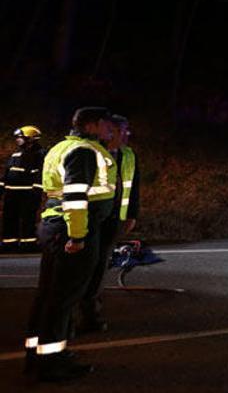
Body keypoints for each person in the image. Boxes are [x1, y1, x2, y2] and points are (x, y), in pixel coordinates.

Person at [24, 107, 117, 382]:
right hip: (71, 230)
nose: (109, 131)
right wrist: (78, 237)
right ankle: (51, 364)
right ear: (93, 125)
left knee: (48, 296)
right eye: (106, 125)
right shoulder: (84, 151)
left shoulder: (59, 148)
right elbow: (76, 197)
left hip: (54, 226)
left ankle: (38, 356)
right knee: (62, 299)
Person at [80, 114, 140, 333]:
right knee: (85, 268)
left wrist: (131, 214)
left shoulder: (128, 155)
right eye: (123, 130)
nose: (127, 135)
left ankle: (91, 314)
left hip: (113, 220)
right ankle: (79, 314)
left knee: (99, 269)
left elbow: (133, 188)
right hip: (91, 220)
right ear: (111, 131)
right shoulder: (94, 153)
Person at [1, 126, 45, 251]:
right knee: (9, 218)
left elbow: (41, 173)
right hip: (11, 192)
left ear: (30, 139)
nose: (18, 140)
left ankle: (28, 244)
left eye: (21, 138)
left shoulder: (39, 154)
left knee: (28, 219)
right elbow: (8, 172)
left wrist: (36, 189)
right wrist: (2, 186)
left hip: (28, 193)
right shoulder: (16, 153)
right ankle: (9, 244)